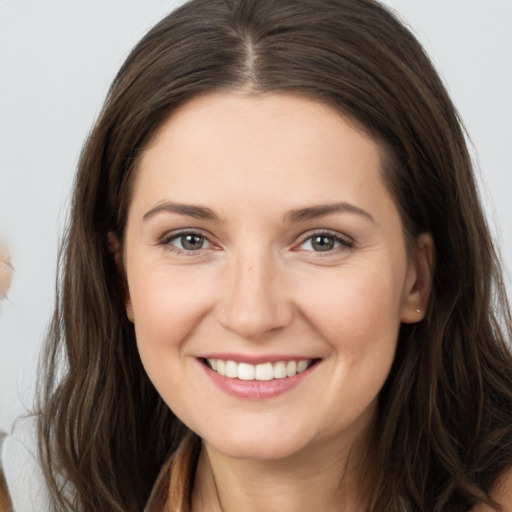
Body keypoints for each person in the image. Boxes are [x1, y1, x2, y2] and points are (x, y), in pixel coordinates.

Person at [8, 0, 510, 510]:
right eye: (190, 240)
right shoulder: (35, 490)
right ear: (122, 278)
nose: (251, 315)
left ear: (417, 280)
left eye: (322, 241)